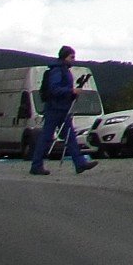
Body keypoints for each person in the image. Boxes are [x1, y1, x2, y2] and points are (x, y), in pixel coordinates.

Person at [29, 46, 96, 175]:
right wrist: (71, 91)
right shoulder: (57, 70)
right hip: (54, 109)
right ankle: (36, 165)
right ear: (65, 57)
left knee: (70, 137)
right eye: (72, 57)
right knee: (46, 137)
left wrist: (71, 94)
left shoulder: (63, 70)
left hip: (63, 109)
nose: (74, 59)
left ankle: (80, 163)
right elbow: (54, 89)